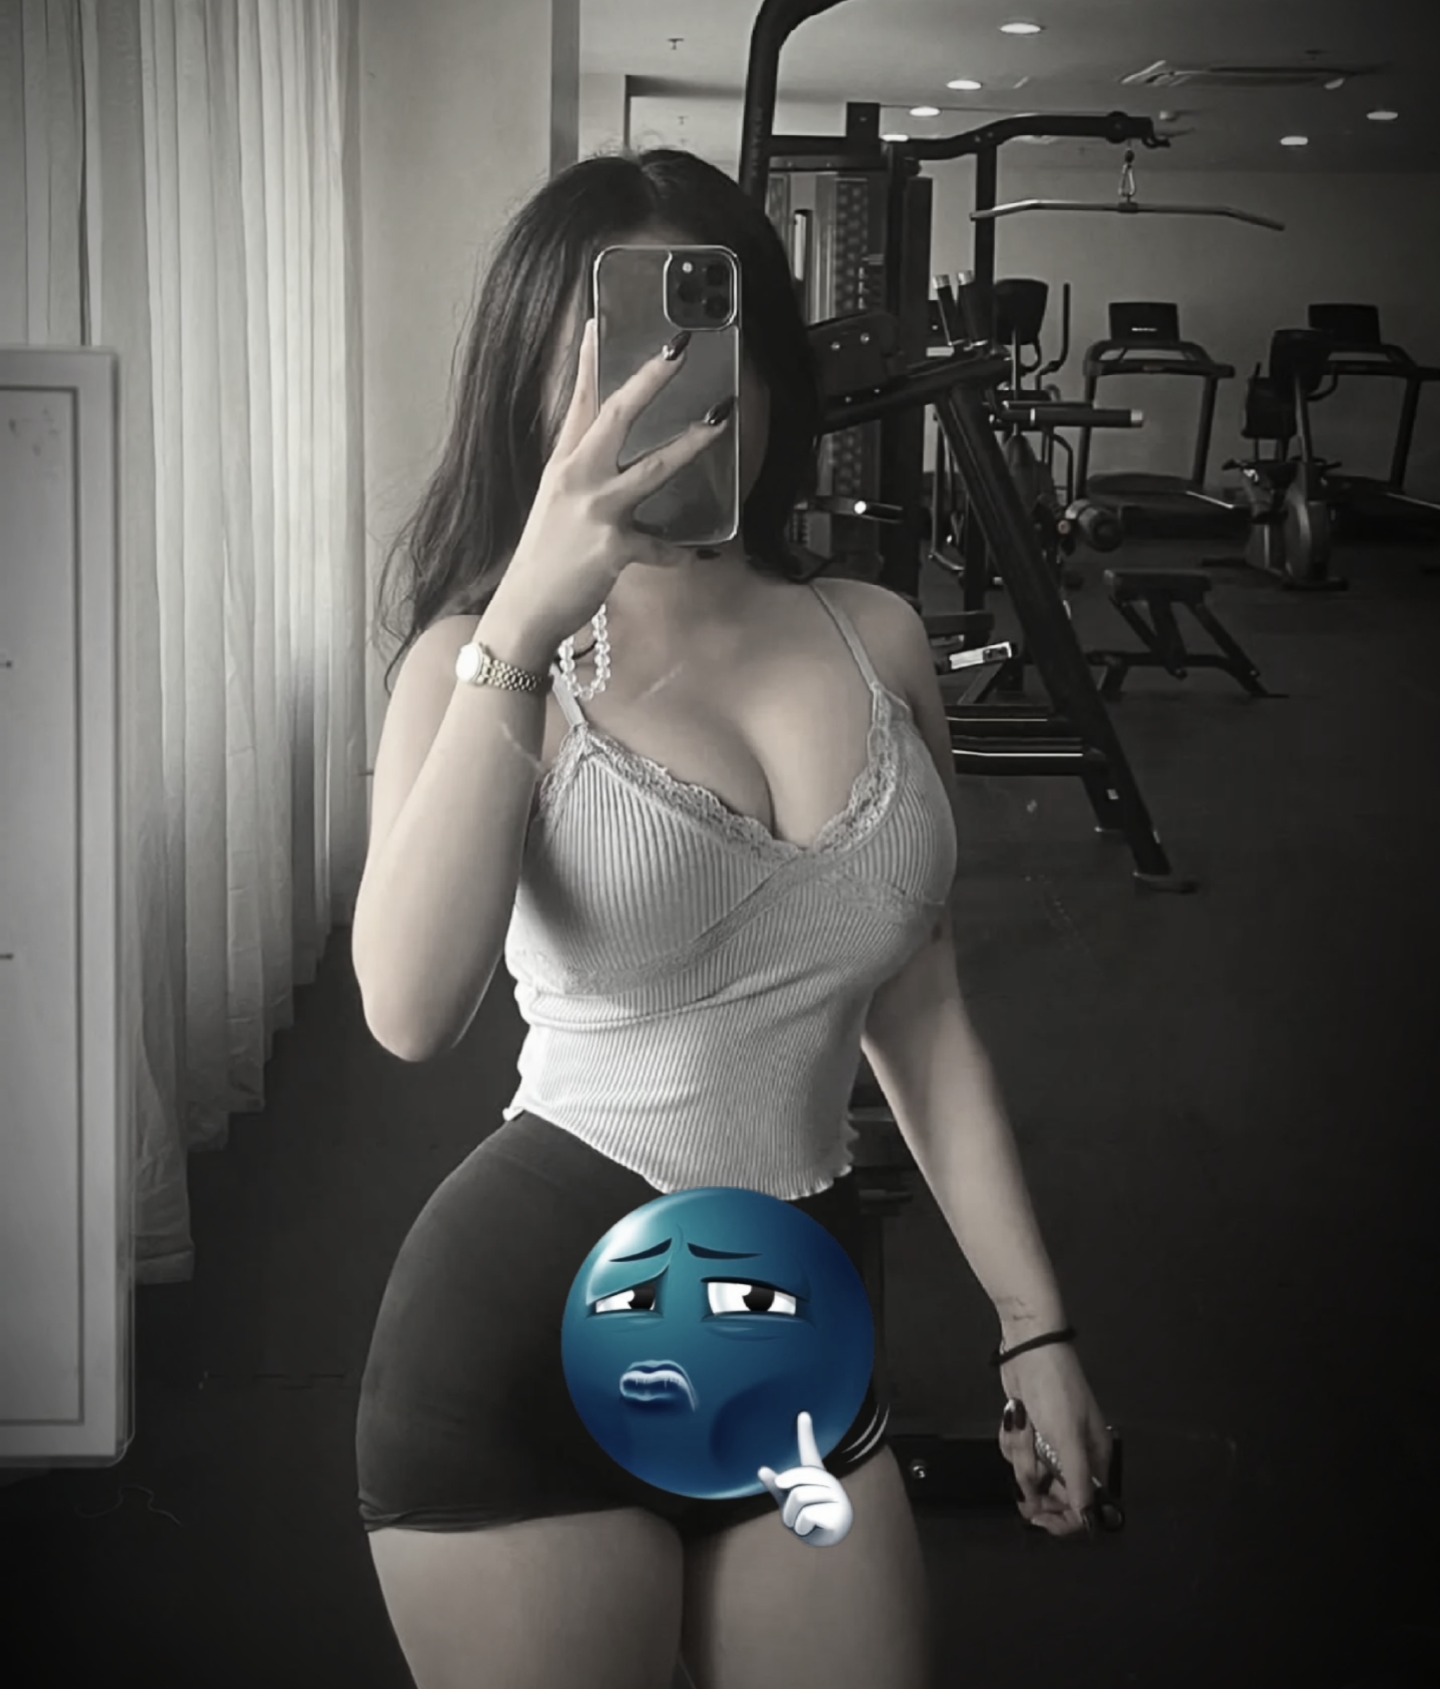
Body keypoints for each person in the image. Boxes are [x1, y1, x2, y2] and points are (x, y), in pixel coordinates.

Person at [351, 149, 1115, 1689]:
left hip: (793, 1331)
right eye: (616, 353)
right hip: (527, 1333)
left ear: (768, 373)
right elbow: (410, 1011)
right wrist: (524, 625)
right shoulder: (475, 661)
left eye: (708, 341)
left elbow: (920, 1012)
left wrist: (1034, 1326)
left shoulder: (875, 635)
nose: (670, 394)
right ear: (534, 389)